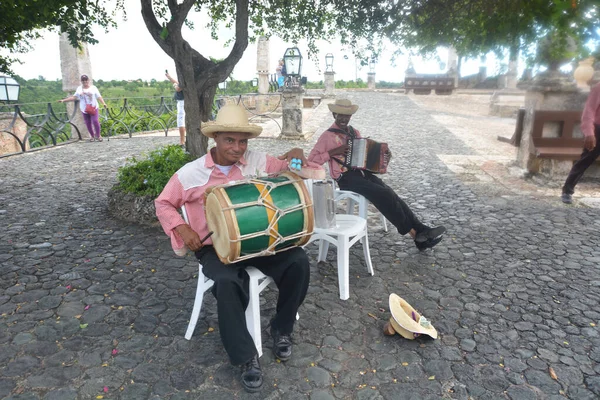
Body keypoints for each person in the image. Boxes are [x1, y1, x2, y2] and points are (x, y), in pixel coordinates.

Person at [155, 104, 324, 393]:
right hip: (215, 248)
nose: (237, 148)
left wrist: (297, 155)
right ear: (216, 139)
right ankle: (246, 357)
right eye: (230, 140)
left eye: (242, 141)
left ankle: (281, 329)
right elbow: (163, 203)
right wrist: (182, 228)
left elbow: (309, 172)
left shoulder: (257, 161)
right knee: (227, 281)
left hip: (259, 241)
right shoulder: (190, 174)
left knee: (298, 260)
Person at [308, 98, 446, 251]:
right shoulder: (327, 136)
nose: (343, 119)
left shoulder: (355, 133)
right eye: (340, 115)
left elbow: (366, 159)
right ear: (334, 114)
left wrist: (383, 157)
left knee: (391, 193)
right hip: (345, 178)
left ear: (350, 117)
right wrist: (333, 152)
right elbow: (312, 160)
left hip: (361, 173)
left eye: (346, 116)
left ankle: (421, 229)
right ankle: (415, 235)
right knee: (384, 194)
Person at [561, 82, 600, 204]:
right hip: (597, 129)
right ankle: (567, 190)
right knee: (586, 160)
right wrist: (589, 133)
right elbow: (589, 111)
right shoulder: (598, 87)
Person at [58, 74, 107, 142]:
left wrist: (103, 103)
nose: (85, 82)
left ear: (88, 80)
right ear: (81, 81)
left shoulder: (93, 88)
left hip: (93, 107)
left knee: (95, 121)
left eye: (86, 80)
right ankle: (92, 136)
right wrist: (64, 100)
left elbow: (99, 96)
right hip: (84, 108)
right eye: (83, 80)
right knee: (88, 123)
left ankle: (98, 135)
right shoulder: (79, 89)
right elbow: (74, 97)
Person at [165, 71, 186, 146]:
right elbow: (177, 83)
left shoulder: (184, 78)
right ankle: (184, 140)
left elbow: (178, 88)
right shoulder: (186, 77)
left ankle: (182, 141)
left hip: (182, 102)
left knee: (181, 121)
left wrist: (174, 85)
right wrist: (169, 77)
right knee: (184, 121)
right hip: (184, 101)